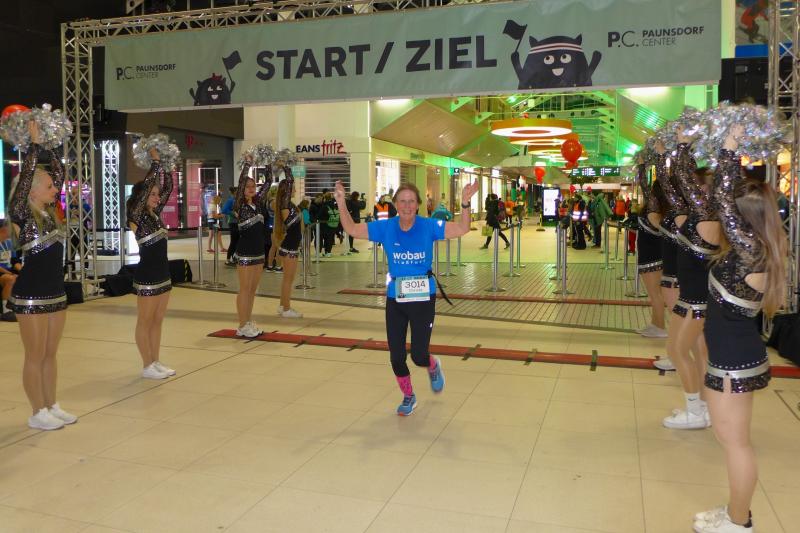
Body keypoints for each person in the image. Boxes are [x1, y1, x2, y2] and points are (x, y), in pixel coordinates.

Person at [692, 125, 786, 533]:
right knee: (733, 441)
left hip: (732, 363)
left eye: (733, 214)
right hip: (736, 356)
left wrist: (729, 150)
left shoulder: (750, 253)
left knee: (735, 445)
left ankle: (738, 521)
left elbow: (720, 199)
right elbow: (723, 203)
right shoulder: (759, 249)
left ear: (744, 219)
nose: (725, 218)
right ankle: (736, 512)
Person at [334, 178, 479, 415]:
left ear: (418, 204)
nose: (407, 206)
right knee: (397, 357)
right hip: (396, 299)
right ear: (395, 204)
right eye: (402, 201)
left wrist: (464, 203)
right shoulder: (386, 227)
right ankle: (408, 396)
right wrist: (341, 203)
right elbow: (351, 229)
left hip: (423, 299)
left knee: (419, 356)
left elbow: (462, 228)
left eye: (411, 201)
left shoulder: (429, 225)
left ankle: (432, 365)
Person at [6, 122, 76, 430]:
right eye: (48, 187)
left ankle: (51, 404)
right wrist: (34, 146)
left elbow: (59, 173)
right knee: (34, 356)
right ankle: (37, 412)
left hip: (55, 292)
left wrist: (51, 144)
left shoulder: (51, 214)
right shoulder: (23, 213)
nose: (55, 189)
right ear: (32, 191)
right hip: (31, 295)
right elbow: (25, 182)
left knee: (50, 354)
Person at [663, 138, 717, 430]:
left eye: (697, 186)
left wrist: (681, 147)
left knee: (678, 351)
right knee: (696, 352)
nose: (689, 189)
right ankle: (704, 407)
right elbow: (672, 187)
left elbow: (681, 179)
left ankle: (695, 411)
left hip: (696, 301)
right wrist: (662, 159)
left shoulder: (708, 217)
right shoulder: (699, 215)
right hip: (692, 298)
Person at [127, 147, 177, 380]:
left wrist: (167, 164)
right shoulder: (136, 216)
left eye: (157, 195)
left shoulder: (155, 216)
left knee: (157, 321)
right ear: (142, 196)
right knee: (145, 321)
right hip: (147, 275)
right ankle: (146, 364)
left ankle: (155, 361)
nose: (158, 197)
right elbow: (149, 186)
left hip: (163, 273)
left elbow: (169, 188)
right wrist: (155, 164)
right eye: (153, 194)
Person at [233, 154, 269, 337]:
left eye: (253, 186)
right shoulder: (239, 205)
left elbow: (268, 183)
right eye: (248, 186)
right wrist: (247, 163)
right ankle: (242, 325)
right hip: (245, 252)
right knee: (245, 290)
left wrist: (269, 163)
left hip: (259, 252)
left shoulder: (258, 204)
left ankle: (247, 321)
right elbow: (241, 183)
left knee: (253, 291)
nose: (251, 189)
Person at [635, 156, 668, 340]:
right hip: (651, 254)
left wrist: (643, 166)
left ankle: (660, 326)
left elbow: (644, 185)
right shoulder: (657, 209)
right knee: (655, 294)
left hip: (651, 257)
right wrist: (642, 166)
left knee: (655, 294)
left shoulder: (655, 211)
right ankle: (655, 324)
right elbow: (644, 185)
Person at [272, 175, 303, 318]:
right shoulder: (285, 206)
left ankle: (282, 306)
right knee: (288, 280)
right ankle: (286, 309)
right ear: (287, 190)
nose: (295, 190)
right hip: (290, 247)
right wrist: (285, 167)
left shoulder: (290, 205)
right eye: (293, 188)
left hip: (291, 245)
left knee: (288, 279)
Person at [0, 220, 21, 322]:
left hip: (9, 270)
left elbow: (14, 261)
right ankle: (6, 310)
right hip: (2, 272)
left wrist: (23, 271)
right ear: (3, 229)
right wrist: (10, 273)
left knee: (24, 277)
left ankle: (18, 306)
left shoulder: (9, 243)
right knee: (11, 279)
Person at [220, 187, 238, 267]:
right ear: (234, 192)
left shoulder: (237, 200)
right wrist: (233, 213)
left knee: (237, 242)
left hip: (238, 223)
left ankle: (234, 258)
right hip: (233, 223)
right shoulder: (230, 200)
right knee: (233, 242)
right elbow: (224, 210)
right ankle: (228, 260)